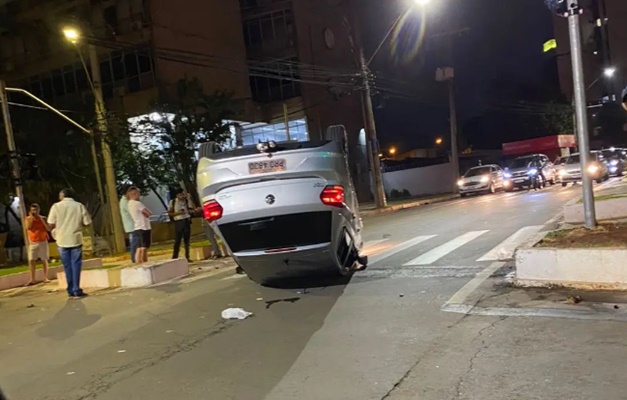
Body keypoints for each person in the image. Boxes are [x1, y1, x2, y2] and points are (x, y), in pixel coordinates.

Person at [48, 189, 92, 299]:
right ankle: (76, 289)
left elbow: (50, 223)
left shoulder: (56, 206)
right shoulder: (79, 206)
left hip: (62, 239)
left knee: (67, 266)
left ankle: (70, 289)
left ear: (62, 195)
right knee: (76, 265)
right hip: (75, 238)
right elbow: (87, 222)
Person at [25, 203, 51, 285]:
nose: (34, 212)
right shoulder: (28, 219)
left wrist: (41, 219)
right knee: (32, 260)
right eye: (33, 210)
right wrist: (32, 218)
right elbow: (28, 227)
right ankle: (33, 279)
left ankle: (45, 277)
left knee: (44, 259)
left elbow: (48, 228)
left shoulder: (43, 218)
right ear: (30, 211)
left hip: (43, 241)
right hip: (33, 242)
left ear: (39, 210)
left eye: (36, 210)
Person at [127, 186, 152, 264]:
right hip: (143, 227)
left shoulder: (129, 203)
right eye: (138, 193)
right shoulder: (138, 203)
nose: (139, 195)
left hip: (137, 227)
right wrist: (146, 213)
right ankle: (144, 263)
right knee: (143, 248)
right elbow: (148, 213)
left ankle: (138, 263)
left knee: (138, 247)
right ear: (134, 194)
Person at [169, 188, 194, 261]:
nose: (182, 196)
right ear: (177, 195)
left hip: (186, 221)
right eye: (180, 195)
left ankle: (187, 256)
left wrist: (189, 199)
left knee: (187, 240)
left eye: (183, 194)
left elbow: (192, 209)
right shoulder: (173, 202)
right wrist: (178, 213)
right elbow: (170, 213)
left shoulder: (186, 201)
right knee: (177, 240)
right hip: (178, 221)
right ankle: (175, 256)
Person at [119, 187, 138, 263]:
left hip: (132, 225)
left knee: (135, 243)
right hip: (131, 225)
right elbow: (132, 210)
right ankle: (134, 259)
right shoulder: (125, 202)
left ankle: (135, 258)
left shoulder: (126, 201)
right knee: (134, 243)